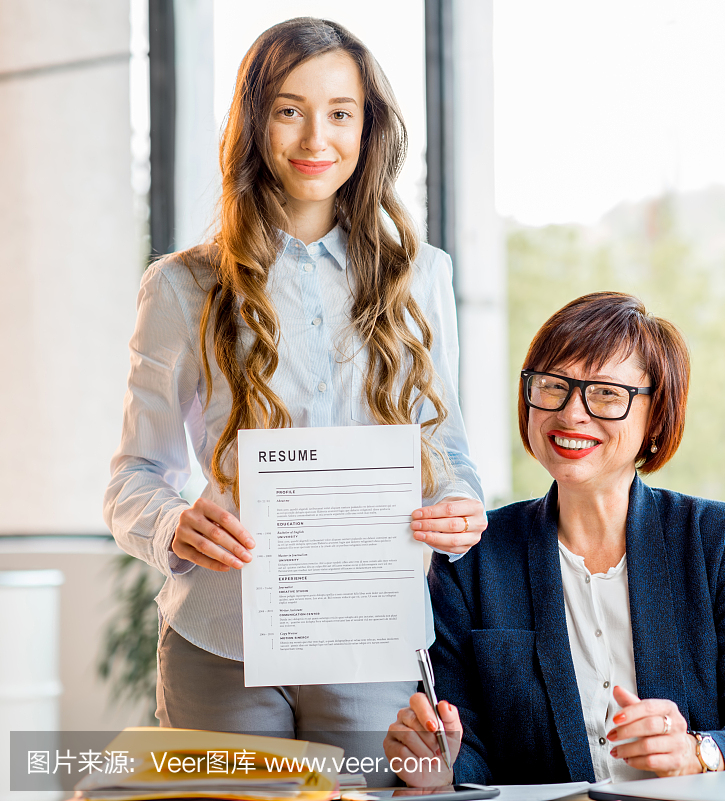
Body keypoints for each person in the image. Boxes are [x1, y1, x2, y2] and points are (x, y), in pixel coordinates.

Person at [103, 17, 485, 775]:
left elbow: (450, 461)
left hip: (369, 636)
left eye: (341, 112)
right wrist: (175, 523)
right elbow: (132, 478)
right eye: (289, 109)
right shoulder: (182, 287)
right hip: (219, 638)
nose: (318, 136)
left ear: (367, 127)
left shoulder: (424, 277)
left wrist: (463, 509)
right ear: (255, 122)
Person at [384, 292, 725, 786]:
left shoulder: (719, 541)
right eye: (553, 387)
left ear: (656, 418)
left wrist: (698, 753)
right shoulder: (474, 557)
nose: (571, 414)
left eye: (607, 393)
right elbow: (471, 750)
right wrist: (436, 767)